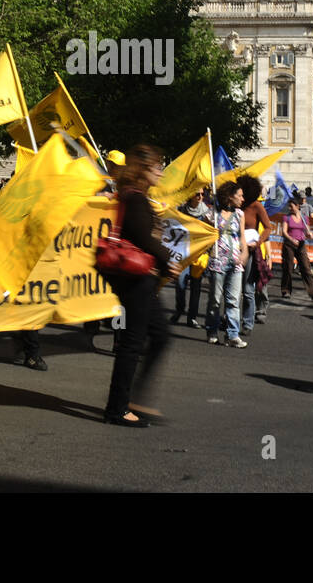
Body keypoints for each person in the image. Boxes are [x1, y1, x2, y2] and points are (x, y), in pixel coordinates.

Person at [103, 144, 178, 426]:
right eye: (157, 166)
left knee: (159, 335)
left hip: (142, 277)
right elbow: (141, 237)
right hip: (135, 277)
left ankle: (134, 399)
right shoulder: (134, 198)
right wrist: (166, 257)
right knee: (132, 343)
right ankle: (117, 408)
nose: (161, 171)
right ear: (143, 169)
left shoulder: (138, 197)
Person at [205, 179, 248, 347]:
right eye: (240, 195)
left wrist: (244, 253)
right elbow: (203, 235)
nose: (242, 199)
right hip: (217, 261)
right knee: (215, 299)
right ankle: (212, 330)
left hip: (235, 261)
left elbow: (242, 237)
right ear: (230, 197)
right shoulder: (213, 214)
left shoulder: (240, 214)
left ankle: (232, 334)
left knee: (233, 300)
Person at [171, 188, 212, 328]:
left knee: (196, 286)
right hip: (183, 253)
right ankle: (179, 309)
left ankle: (192, 317)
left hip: (199, 254)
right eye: (197, 193)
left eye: (202, 194)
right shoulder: (182, 209)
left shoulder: (207, 212)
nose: (200, 196)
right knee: (180, 283)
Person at [238, 174, 271, 328]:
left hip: (251, 251)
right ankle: (231, 320)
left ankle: (248, 323)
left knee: (248, 288)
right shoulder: (236, 205)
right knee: (233, 288)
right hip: (235, 249)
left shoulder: (257, 206)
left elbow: (268, 228)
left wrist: (258, 243)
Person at [280, 196, 313, 300]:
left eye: (291, 206)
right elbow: (284, 232)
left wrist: (309, 234)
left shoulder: (304, 218)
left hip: (301, 244)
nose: (289, 208)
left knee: (306, 267)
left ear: (298, 206)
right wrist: (291, 239)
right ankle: (286, 290)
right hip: (289, 245)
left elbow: (307, 231)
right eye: (289, 206)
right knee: (288, 267)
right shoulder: (287, 217)